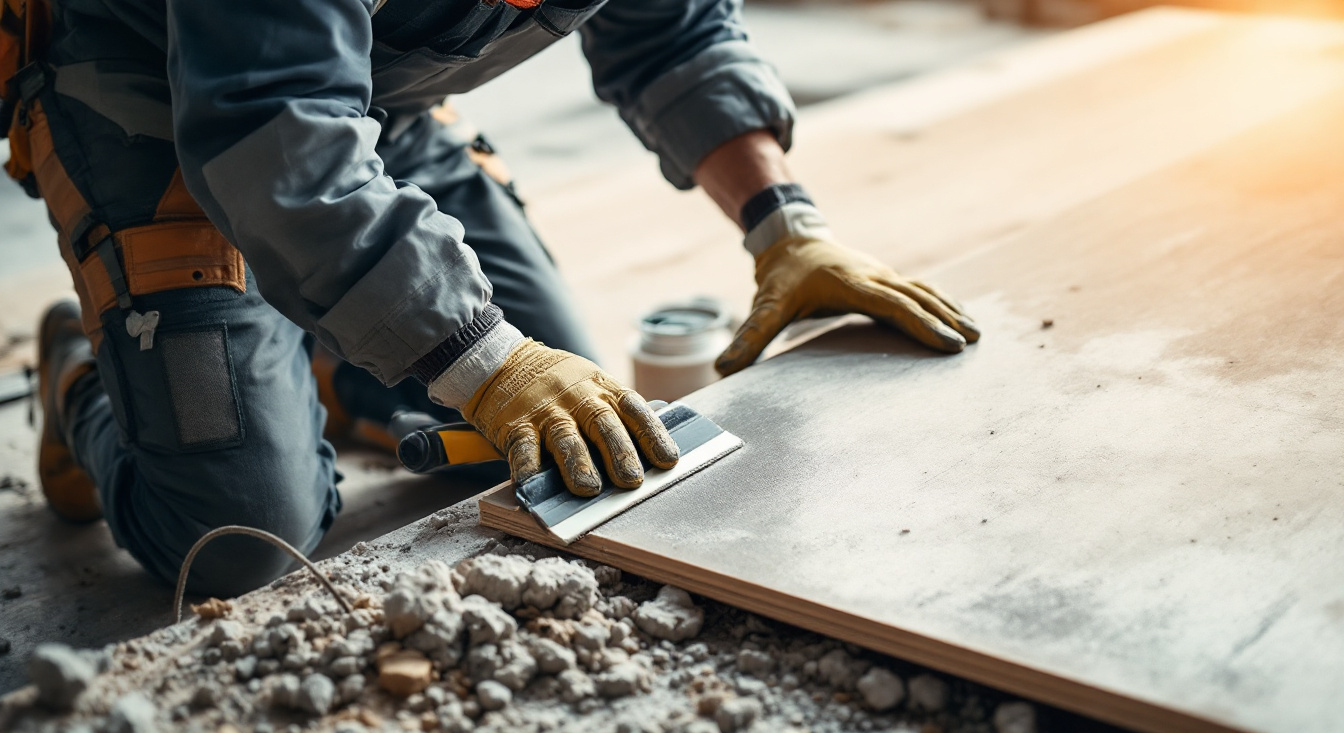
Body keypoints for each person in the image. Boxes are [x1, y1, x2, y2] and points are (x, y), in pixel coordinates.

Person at [16, 0, 978, 596]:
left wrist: (785, 226)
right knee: (240, 540)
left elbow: (675, 31)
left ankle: (324, 349)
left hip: (367, 95)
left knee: (557, 434)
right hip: (150, 86)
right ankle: (84, 381)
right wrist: (485, 361)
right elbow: (270, 129)